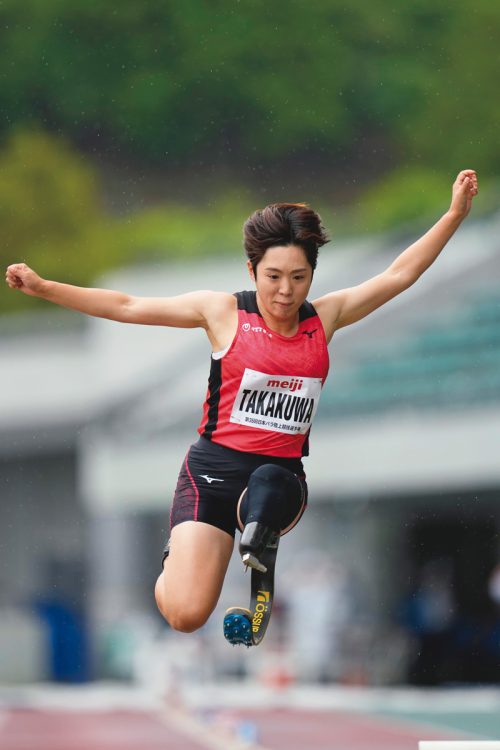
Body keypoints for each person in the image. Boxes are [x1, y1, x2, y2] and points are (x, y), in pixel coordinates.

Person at [5, 169, 478, 639]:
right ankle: (182, 562)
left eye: (299, 277)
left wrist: (454, 214)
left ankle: (260, 558)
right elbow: (128, 305)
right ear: (252, 271)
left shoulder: (325, 318)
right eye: (273, 277)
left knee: (268, 480)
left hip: (280, 481)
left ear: (313, 274)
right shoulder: (223, 311)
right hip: (212, 471)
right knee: (185, 616)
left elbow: (400, 274)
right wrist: (46, 288)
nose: (286, 292)